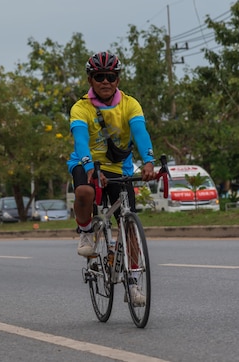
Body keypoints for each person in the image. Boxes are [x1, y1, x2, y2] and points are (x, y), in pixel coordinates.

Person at [67, 51, 156, 304]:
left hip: (119, 169)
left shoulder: (130, 104)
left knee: (129, 228)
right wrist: (89, 167)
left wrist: (149, 160)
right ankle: (86, 232)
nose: (105, 82)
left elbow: (140, 132)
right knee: (84, 191)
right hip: (87, 163)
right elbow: (81, 139)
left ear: (118, 79)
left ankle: (133, 284)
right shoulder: (80, 107)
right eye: (99, 77)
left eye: (111, 77)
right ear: (90, 79)